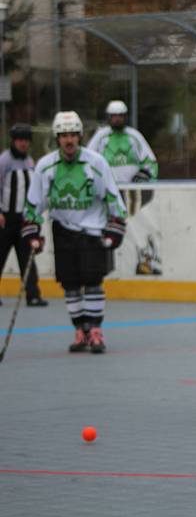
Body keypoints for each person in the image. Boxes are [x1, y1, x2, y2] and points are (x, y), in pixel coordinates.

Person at [23, 111, 127, 354]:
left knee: (93, 281)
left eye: (73, 135)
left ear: (80, 136)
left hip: (93, 230)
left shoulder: (96, 162)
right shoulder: (45, 166)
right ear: (57, 138)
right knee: (69, 284)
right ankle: (81, 330)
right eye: (63, 135)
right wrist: (32, 231)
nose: (69, 140)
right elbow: (34, 203)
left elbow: (113, 196)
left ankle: (96, 331)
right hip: (62, 230)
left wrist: (115, 228)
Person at [87, 100, 161, 275]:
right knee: (107, 230)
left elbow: (151, 162)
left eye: (120, 116)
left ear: (125, 117)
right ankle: (106, 267)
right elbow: (88, 161)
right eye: (114, 116)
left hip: (132, 195)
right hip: (108, 194)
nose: (117, 119)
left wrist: (144, 175)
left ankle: (143, 262)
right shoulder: (101, 137)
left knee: (135, 228)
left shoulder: (134, 136)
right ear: (108, 117)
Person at [0, 123, 47, 306]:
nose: (23, 144)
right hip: (6, 217)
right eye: (20, 140)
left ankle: (33, 295)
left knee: (27, 256)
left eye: (26, 141)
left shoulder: (30, 162)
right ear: (13, 141)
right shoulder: (4, 161)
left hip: (25, 218)